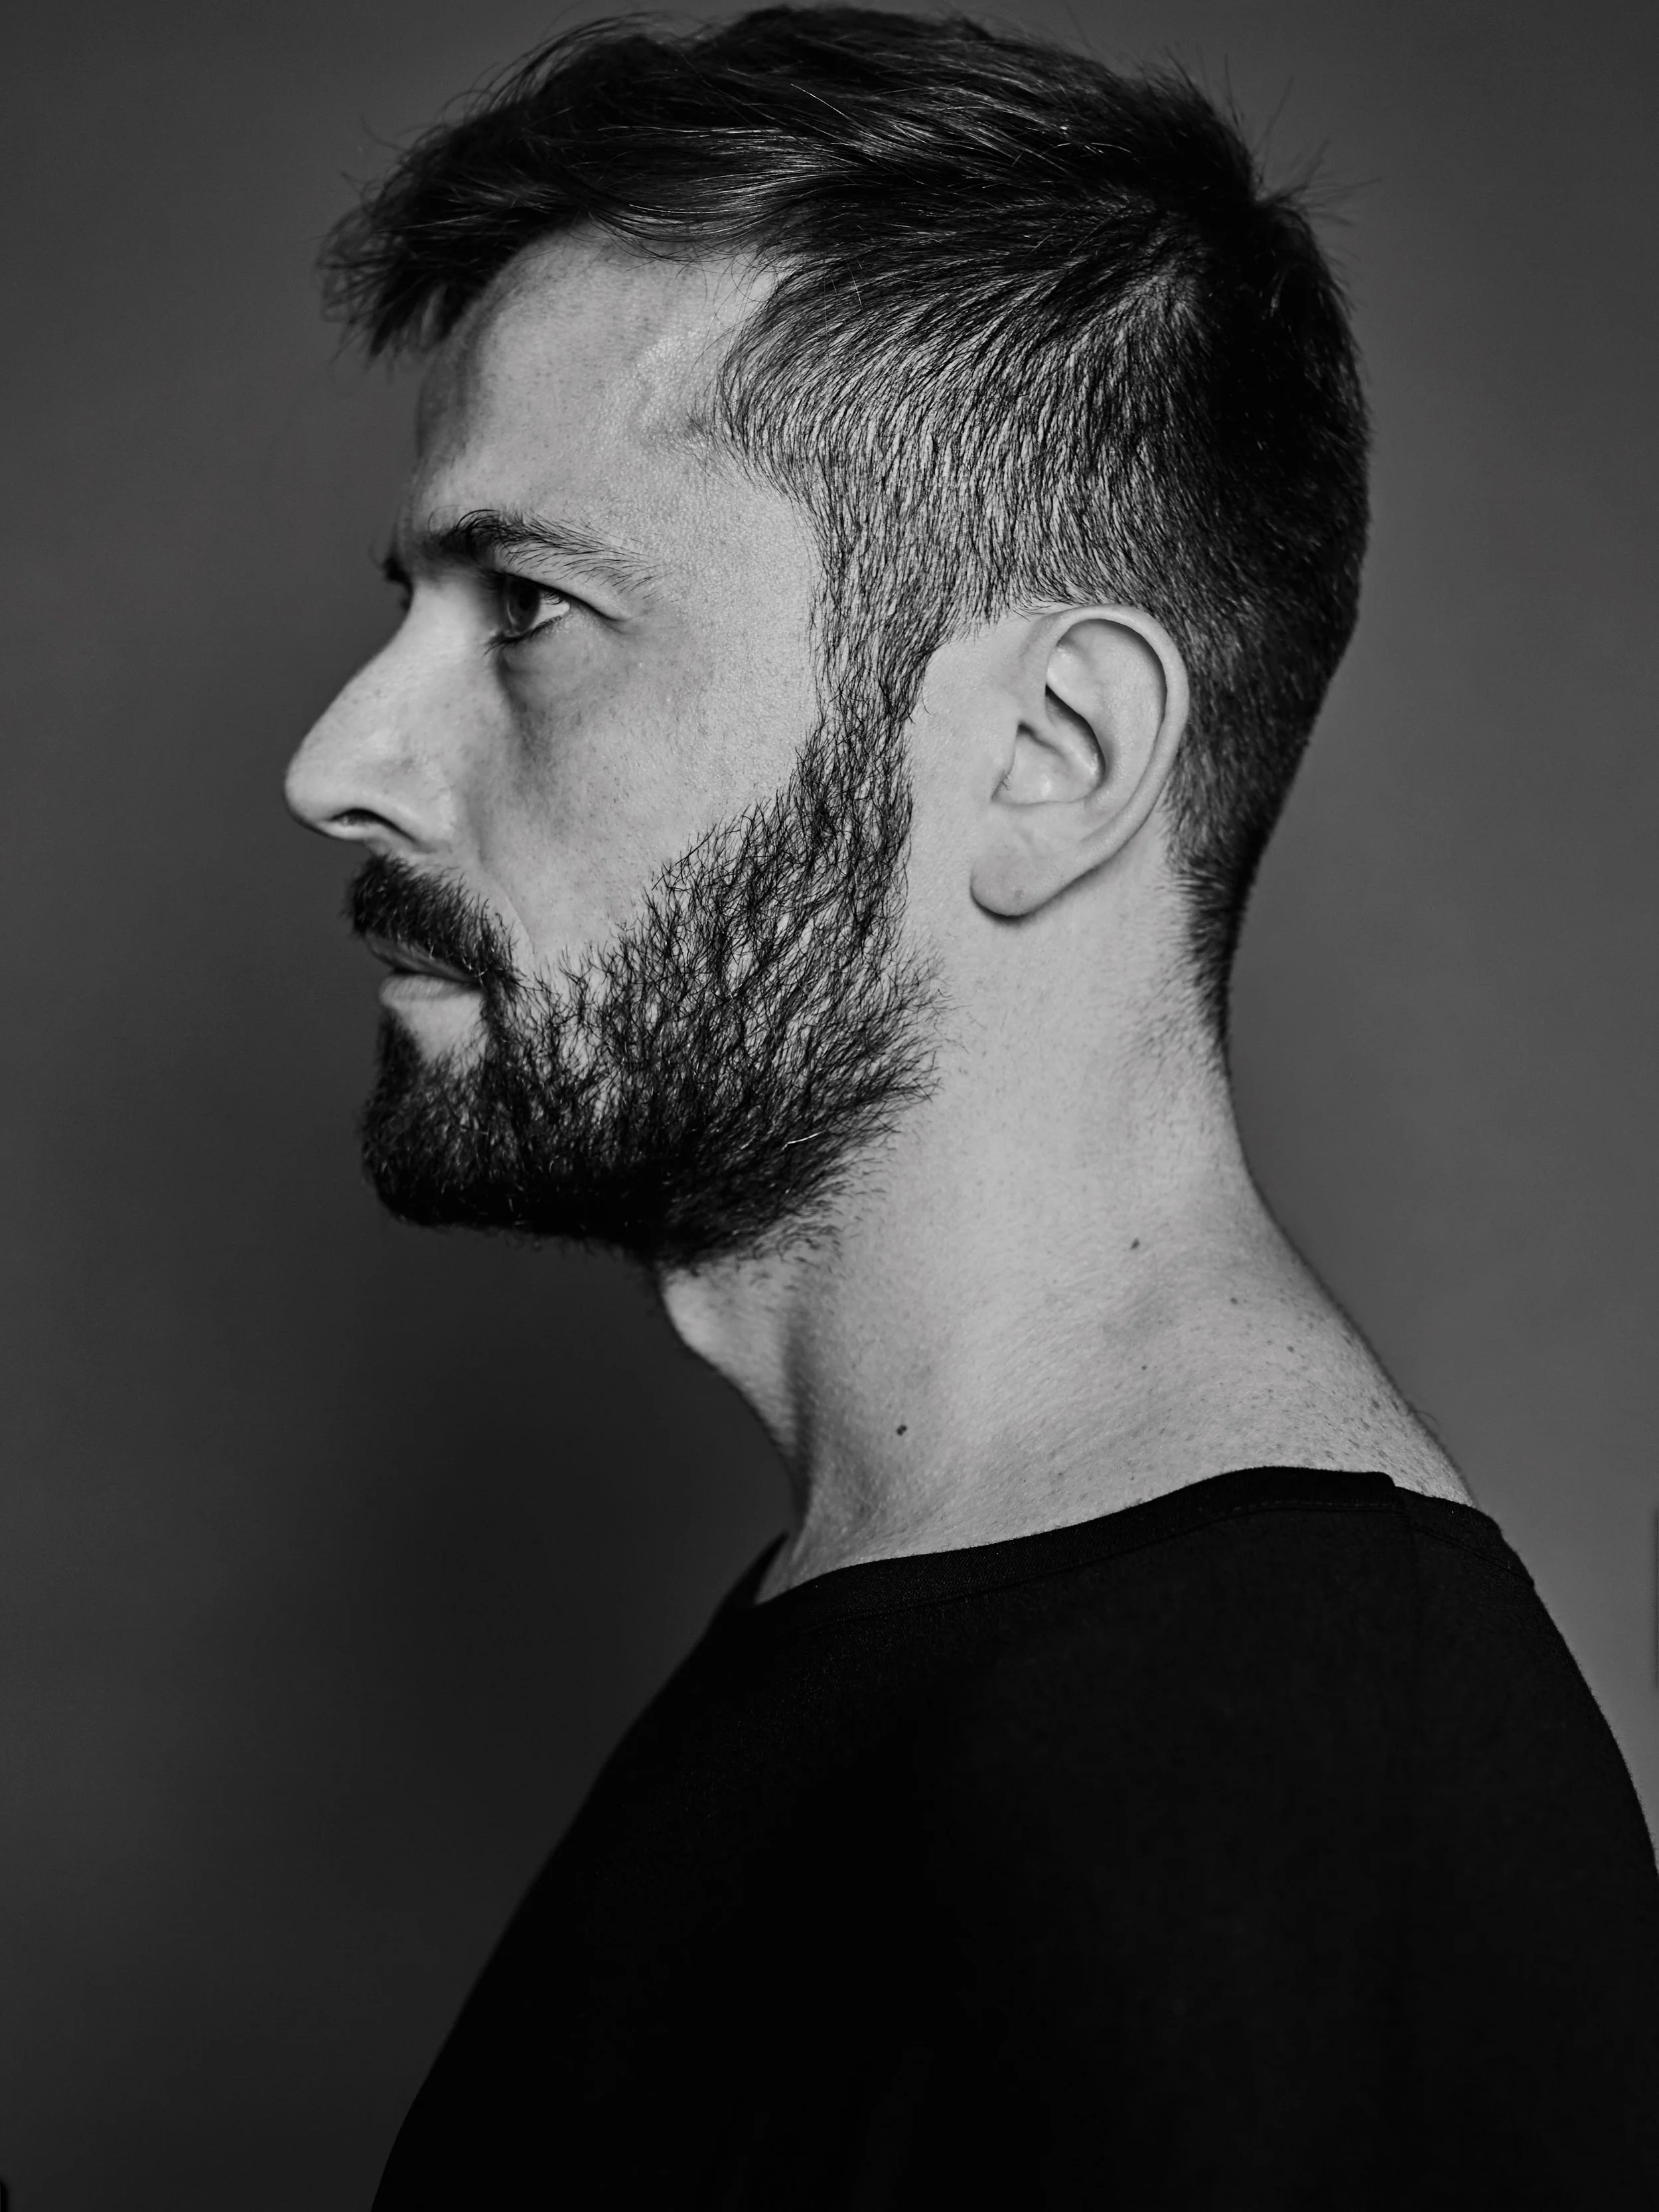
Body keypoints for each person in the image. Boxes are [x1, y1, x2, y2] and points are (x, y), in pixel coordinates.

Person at [285, 10, 1659, 2203]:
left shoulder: (1272, 1831)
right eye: (413, 606)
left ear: (1049, 754)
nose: (339, 762)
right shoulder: (919, 1631)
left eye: (528, 606)